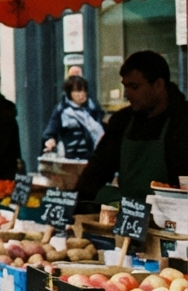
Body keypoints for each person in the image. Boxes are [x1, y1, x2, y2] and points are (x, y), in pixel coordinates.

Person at [77, 51, 188, 205]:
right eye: (125, 87)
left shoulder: (182, 121)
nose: (127, 94)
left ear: (158, 85)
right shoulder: (122, 121)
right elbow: (96, 173)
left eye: (134, 87)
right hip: (130, 217)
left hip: (174, 219)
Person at [42, 75, 104, 160]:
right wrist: (50, 141)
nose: (82, 94)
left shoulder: (93, 109)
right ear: (69, 93)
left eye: (84, 90)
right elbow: (50, 132)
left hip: (92, 157)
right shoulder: (62, 110)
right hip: (71, 158)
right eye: (78, 91)